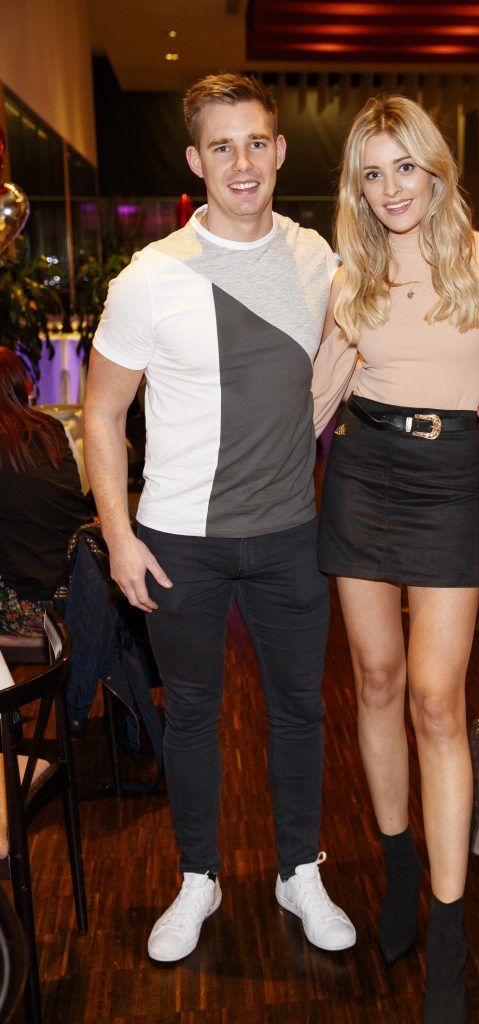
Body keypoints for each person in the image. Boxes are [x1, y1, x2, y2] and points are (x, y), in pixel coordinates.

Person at [83, 73, 355, 965]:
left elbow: (350, 352)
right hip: (177, 543)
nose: (244, 162)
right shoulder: (150, 278)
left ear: (279, 151)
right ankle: (197, 877)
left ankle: (298, 871)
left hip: (289, 538)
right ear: (197, 161)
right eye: (223, 146)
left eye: (258, 143)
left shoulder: (319, 260)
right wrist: (120, 536)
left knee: (299, 713)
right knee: (193, 714)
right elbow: (100, 413)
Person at [311, 95, 479, 1023]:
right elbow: (316, 393)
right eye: (372, 171)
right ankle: (398, 871)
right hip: (361, 472)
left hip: (451, 482)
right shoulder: (349, 271)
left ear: (436, 169)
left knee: (439, 703)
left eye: (406, 166)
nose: (392, 187)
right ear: (357, 187)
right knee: (375, 680)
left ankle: (447, 926)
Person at [0, 347, 91, 636]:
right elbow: (81, 489)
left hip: (29, 608)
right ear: (23, 385)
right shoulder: (53, 428)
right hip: (82, 596)